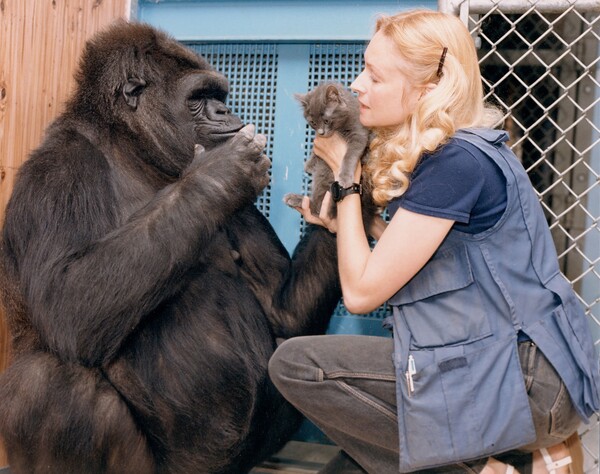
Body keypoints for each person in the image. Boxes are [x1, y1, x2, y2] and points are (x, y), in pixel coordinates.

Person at [268, 9, 599, 474]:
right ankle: (539, 458)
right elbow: (434, 257)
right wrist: (350, 229)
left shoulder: (456, 163)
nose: (357, 84)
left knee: (296, 365)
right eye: (363, 68)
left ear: (427, 90)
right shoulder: (455, 153)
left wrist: (347, 177)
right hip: (506, 367)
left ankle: (498, 469)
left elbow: (361, 293)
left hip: (521, 380)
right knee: (354, 462)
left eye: (376, 77)